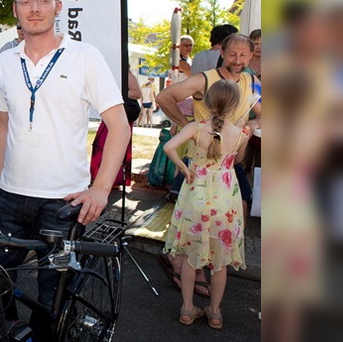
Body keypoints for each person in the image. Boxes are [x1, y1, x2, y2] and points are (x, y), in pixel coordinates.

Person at [0, 0, 129, 340]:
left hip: (63, 201)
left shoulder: (84, 57)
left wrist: (100, 190)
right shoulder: (5, 62)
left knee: (55, 297)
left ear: (58, 7)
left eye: (42, 1)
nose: (34, 9)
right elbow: (0, 125)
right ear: (15, 10)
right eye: (25, 2)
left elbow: (121, 126)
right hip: (10, 196)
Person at [155, 33, 261, 298]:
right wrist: (188, 125)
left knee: (239, 203)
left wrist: (251, 127)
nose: (238, 60)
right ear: (222, 53)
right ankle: (190, 266)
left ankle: (207, 260)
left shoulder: (252, 81)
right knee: (193, 216)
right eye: (233, 54)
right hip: (202, 161)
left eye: (243, 55)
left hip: (228, 157)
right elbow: (164, 97)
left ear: (250, 56)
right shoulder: (204, 79)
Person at [162, 79, 250, 329]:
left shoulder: (195, 128)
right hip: (225, 201)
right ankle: (214, 311)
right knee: (219, 261)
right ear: (235, 104)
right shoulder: (239, 134)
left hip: (196, 198)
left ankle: (187, 308)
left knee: (192, 257)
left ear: (208, 102)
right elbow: (237, 162)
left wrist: (184, 169)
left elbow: (170, 147)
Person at [90, 70, 142, 187]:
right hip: (109, 114)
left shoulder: (127, 74)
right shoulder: (109, 72)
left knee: (114, 145)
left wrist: (118, 92)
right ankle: (97, 176)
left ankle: (113, 180)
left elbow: (137, 93)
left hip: (122, 115)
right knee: (100, 145)